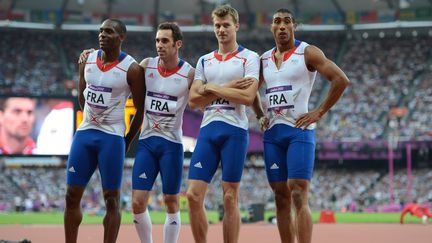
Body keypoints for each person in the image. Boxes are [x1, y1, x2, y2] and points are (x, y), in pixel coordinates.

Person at [252, 9, 349, 243]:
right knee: (280, 197)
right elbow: (250, 88)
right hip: (273, 135)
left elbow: (341, 80)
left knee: (298, 191)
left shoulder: (308, 52)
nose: (282, 26)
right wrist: (258, 114)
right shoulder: (263, 59)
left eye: (286, 22)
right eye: (277, 22)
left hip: (299, 132)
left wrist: (320, 111)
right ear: (271, 28)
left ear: (294, 25)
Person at [64, 19, 145, 243]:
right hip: (86, 133)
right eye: (100, 31)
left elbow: (141, 109)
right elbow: (82, 93)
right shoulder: (86, 59)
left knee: (111, 199)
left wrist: (127, 139)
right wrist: (92, 119)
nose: (102, 35)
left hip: (112, 138)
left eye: (108, 31)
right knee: (71, 196)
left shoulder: (132, 68)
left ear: (121, 37)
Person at [187, 5, 260, 243]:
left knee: (230, 197)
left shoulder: (249, 58)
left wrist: (212, 87)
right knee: (192, 196)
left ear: (236, 26)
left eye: (226, 25)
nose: (221, 30)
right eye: (217, 25)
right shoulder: (205, 60)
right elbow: (193, 101)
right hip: (208, 131)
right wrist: (229, 88)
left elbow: (248, 98)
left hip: (235, 131)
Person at [131, 22, 194, 243]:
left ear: (178, 44)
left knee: (171, 201)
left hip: (171, 145)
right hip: (147, 142)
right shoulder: (146, 66)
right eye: (157, 40)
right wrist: (93, 55)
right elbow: (121, 74)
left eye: (165, 40)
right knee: (137, 201)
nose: (159, 45)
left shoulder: (189, 74)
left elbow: (202, 100)